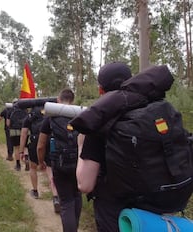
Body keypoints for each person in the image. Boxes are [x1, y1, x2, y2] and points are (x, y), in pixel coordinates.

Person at [73, 62, 132, 232]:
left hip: (115, 214)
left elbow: (85, 185)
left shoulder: (99, 122)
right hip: (155, 212)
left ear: (100, 90)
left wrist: (81, 144)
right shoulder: (153, 110)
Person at [37, 88, 81, 231]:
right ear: (72, 100)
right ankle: (75, 226)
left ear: (58, 100)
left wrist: (41, 161)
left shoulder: (50, 118)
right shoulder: (80, 115)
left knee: (66, 201)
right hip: (78, 163)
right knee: (76, 195)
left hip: (60, 164)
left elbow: (41, 145)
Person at [18, 105, 44, 198]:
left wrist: (21, 151)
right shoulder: (48, 115)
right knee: (50, 169)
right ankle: (56, 196)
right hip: (48, 143)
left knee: (33, 168)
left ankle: (35, 191)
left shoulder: (29, 117)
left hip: (34, 142)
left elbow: (24, 134)